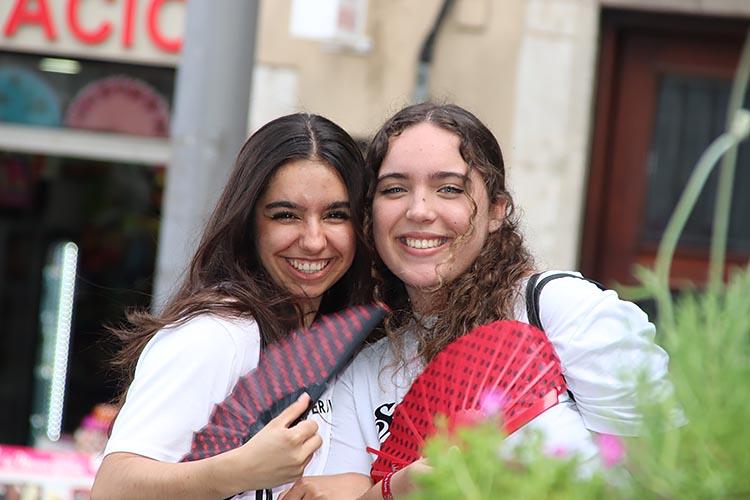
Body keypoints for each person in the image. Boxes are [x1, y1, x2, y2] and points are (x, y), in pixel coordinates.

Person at [281, 102, 673, 499]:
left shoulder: (560, 309)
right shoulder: (364, 372)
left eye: (449, 189)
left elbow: (667, 476)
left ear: (496, 211)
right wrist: (396, 489)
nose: (419, 210)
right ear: (370, 214)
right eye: (395, 189)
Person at [91, 113, 375, 500]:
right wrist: (239, 470)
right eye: (286, 215)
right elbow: (112, 488)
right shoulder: (216, 334)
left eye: (336, 215)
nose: (313, 240)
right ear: (249, 223)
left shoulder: (343, 342)